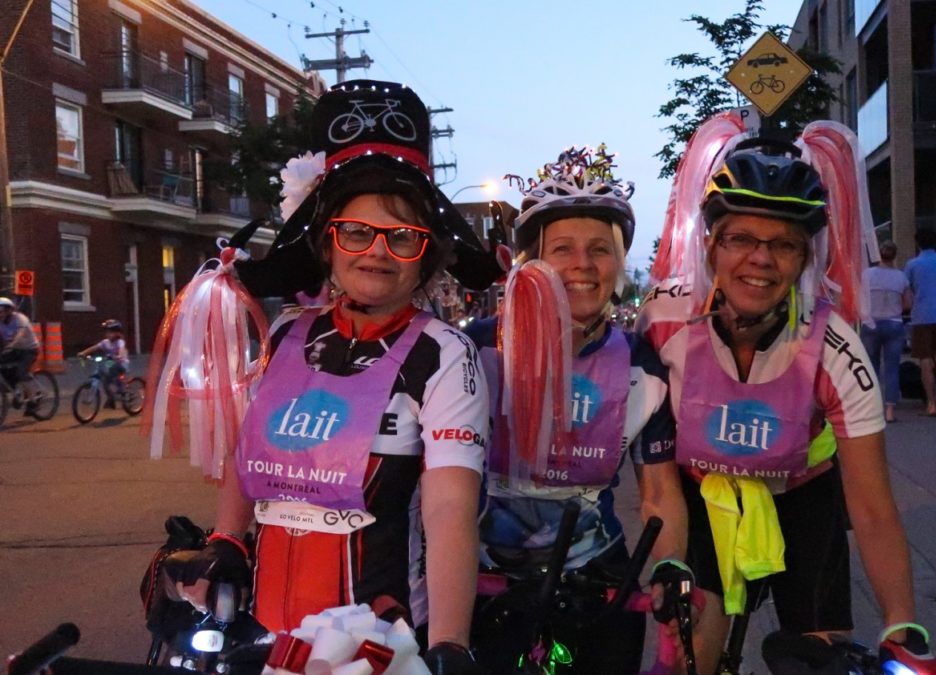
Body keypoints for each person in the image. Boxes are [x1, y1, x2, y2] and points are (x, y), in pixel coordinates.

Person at [165, 79, 503, 674]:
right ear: (327, 242)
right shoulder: (286, 336)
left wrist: (450, 641)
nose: (377, 252)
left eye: (402, 237)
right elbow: (248, 457)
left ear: (425, 254)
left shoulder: (444, 353)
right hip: (266, 626)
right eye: (357, 231)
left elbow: (450, 505)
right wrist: (225, 539)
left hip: (377, 637)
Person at [639, 117, 936, 674]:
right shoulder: (664, 321)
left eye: (784, 244)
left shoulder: (834, 346)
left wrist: (904, 627)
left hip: (805, 495)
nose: (761, 259)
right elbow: (650, 468)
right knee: (691, 661)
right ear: (710, 244)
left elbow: (873, 507)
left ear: (806, 258)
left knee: (818, 660)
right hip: (703, 496)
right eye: (740, 239)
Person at [466, 147, 688, 673]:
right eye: (561, 249)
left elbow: (659, 495)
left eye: (600, 249)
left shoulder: (642, 365)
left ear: (618, 262)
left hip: (598, 581)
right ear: (530, 264)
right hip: (484, 580)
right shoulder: (477, 350)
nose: (583, 266)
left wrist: (673, 570)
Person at [904, 229, 936, 416]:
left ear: (917, 244)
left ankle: (931, 403)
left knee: (925, 360)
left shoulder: (912, 265)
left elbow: (908, 290)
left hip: (922, 316)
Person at [861, 241, 911, 423]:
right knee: (892, 368)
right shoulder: (901, 277)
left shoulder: (867, 275)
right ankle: (890, 410)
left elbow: (860, 296)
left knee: (870, 367)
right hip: (894, 324)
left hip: (871, 323)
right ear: (894, 256)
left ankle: (871, 408)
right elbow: (908, 304)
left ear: (879, 255)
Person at [0, 296, 43, 416]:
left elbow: (21, 334)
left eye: (1, 311)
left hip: (28, 349)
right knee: (5, 371)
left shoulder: (20, 318)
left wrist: (12, 345)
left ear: (9, 310)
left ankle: (33, 401)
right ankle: (17, 392)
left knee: (21, 373)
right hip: (12, 350)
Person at [77, 319, 130, 409]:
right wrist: (84, 353)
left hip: (121, 363)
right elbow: (94, 348)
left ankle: (122, 390)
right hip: (110, 362)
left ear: (117, 333)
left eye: (110, 332)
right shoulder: (105, 342)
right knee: (105, 380)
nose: (107, 334)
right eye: (106, 332)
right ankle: (111, 399)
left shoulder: (120, 342)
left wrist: (119, 355)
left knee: (113, 374)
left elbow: (121, 349)